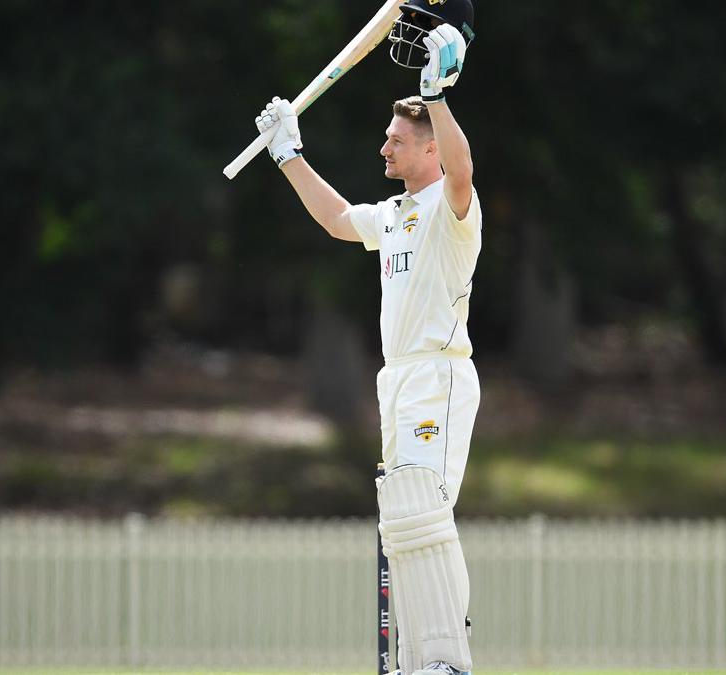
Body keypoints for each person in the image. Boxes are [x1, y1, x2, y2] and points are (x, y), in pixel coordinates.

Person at [254, 2, 479, 673]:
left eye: (397, 140)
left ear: (430, 147)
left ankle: (447, 659)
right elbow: (337, 219)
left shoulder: (451, 207)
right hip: (398, 377)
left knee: (421, 508)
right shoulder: (395, 214)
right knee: (404, 520)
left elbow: (463, 171)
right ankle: (419, 658)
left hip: (438, 372)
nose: (384, 146)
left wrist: (436, 96)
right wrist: (288, 153)